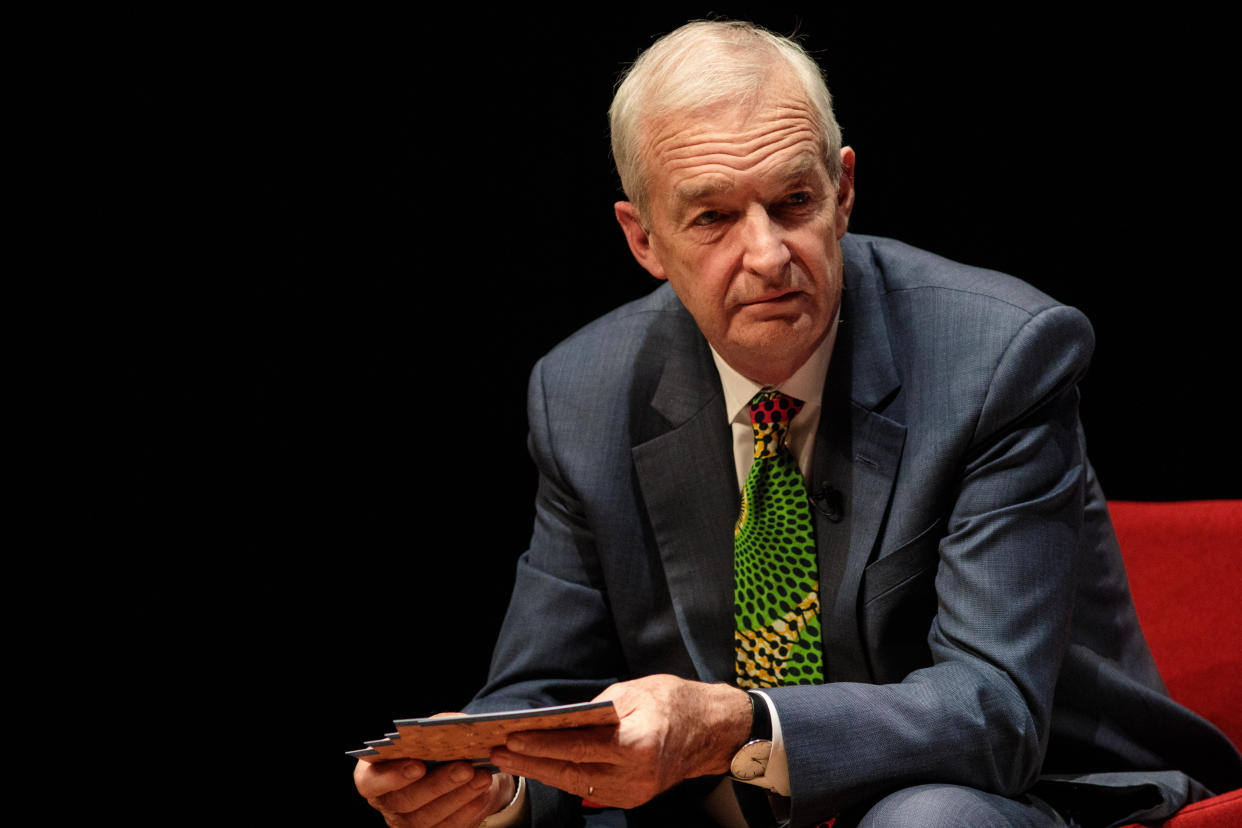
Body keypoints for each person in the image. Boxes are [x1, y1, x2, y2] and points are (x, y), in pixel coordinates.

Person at [354, 20, 1242, 827]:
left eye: (792, 202)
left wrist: (736, 724)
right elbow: (541, 693)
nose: (769, 255)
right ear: (643, 240)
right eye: (712, 218)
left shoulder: (1000, 358)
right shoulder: (581, 393)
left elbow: (994, 711)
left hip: (1021, 789)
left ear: (843, 189)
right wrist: (487, 782)